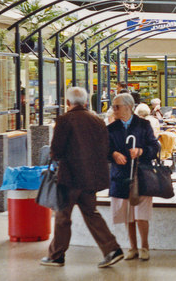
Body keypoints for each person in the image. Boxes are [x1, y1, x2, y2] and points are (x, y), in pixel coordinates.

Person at [41, 87, 124, 268]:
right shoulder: (97, 120)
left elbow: (57, 150)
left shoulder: (64, 120)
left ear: (68, 103)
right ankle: (112, 249)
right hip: (90, 177)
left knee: (63, 216)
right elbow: (105, 147)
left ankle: (56, 255)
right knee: (91, 213)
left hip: (70, 177)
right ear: (86, 102)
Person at [108, 93, 160, 262]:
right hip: (121, 175)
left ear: (129, 107)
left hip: (141, 174)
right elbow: (103, 149)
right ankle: (132, 247)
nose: (114, 109)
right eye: (113, 106)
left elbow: (155, 146)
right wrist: (113, 154)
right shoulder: (111, 128)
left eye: (117, 106)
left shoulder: (143, 125)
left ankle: (145, 246)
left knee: (141, 214)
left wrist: (141, 151)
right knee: (127, 214)